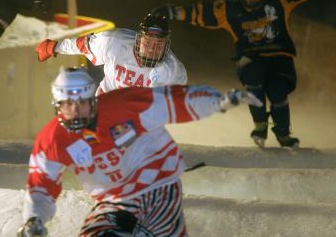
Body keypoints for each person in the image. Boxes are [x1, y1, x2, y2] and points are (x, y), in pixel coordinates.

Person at [17, 67, 261, 237]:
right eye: (68, 105)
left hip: (160, 188)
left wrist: (219, 102)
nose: (77, 111)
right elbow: (41, 184)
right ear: (57, 106)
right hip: (114, 200)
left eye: (82, 103)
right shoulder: (52, 139)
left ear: (93, 100)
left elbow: (174, 101)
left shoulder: (124, 105)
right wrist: (34, 218)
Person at [150, 0, 319, 148]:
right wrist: (173, 12)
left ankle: (283, 134)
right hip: (250, 57)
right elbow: (203, 13)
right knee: (254, 75)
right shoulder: (230, 8)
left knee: (277, 91)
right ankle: (259, 125)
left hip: (279, 56)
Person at [36, 12, 188, 95]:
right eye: (148, 42)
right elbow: (82, 45)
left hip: (140, 117)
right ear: (138, 39)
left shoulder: (173, 70)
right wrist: (53, 47)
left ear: (166, 45)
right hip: (106, 104)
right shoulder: (113, 42)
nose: (152, 49)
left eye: (158, 44)